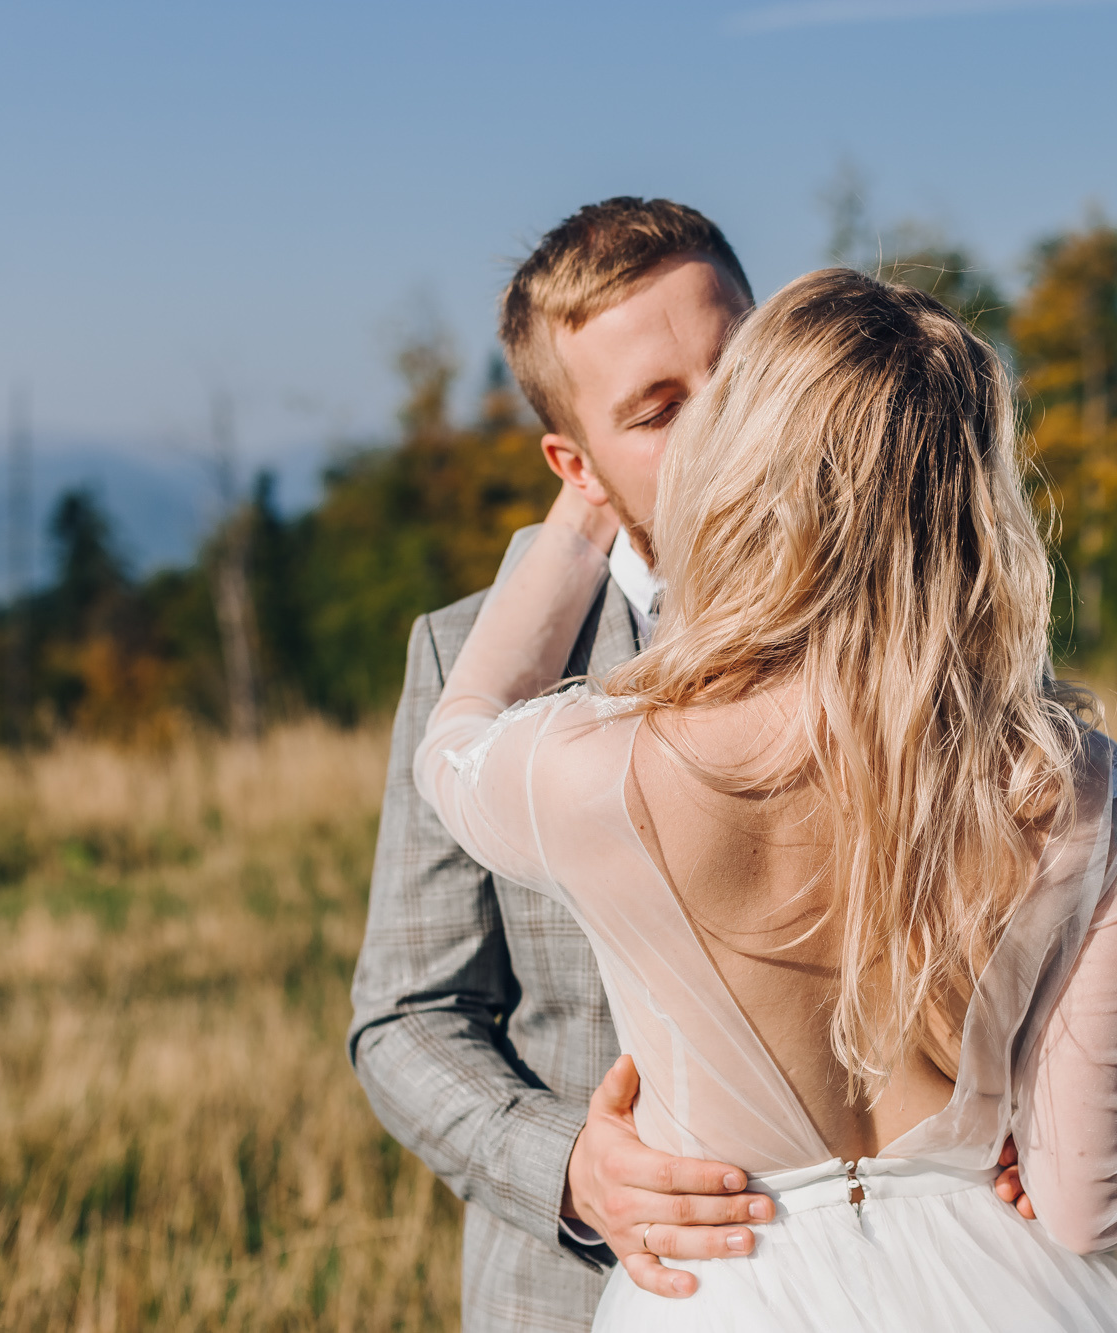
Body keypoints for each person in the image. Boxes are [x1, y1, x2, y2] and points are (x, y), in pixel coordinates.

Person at [415, 268, 1117, 1331]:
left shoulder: (600, 772)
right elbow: (1087, 1196)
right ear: (977, 501)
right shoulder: (1076, 784)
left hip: (724, 1293)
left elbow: (455, 737)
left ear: (741, 469)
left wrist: (581, 509)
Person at [349, 198, 786, 1332]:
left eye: (738, 368)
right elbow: (405, 1015)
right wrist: (572, 1168)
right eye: (657, 412)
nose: (727, 426)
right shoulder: (463, 658)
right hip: (578, 1298)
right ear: (575, 464)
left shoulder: (920, 602)